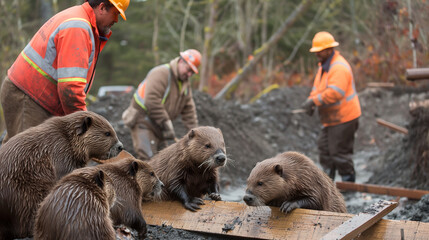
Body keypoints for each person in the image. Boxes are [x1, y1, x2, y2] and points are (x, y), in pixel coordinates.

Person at [0, 0, 129, 144]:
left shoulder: (79, 19)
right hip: (29, 98)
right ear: (102, 7)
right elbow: (71, 88)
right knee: (26, 159)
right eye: (116, 13)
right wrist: (86, 127)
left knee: (12, 155)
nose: (116, 20)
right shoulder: (78, 26)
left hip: (30, 96)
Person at [301, 31, 361, 182]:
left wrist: (315, 102)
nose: (317, 54)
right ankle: (328, 185)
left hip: (344, 117)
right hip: (332, 119)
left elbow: (335, 92)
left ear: (329, 50)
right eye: (316, 52)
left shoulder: (338, 67)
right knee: (325, 150)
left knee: (339, 153)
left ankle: (349, 184)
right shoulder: (324, 67)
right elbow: (317, 89)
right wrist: (310, 100)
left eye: (319, 51)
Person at [122, 49, 201, 160]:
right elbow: (151, 100)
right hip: (143, 120)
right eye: (188, 70)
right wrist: (165, 122)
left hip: (158, 126)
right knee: (149, 161)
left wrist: (196, 135)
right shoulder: (161, 73)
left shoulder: (185, 84)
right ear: (181, 61)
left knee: (163, 163)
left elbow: (189, 111)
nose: (189, 74)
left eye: (192, 73)